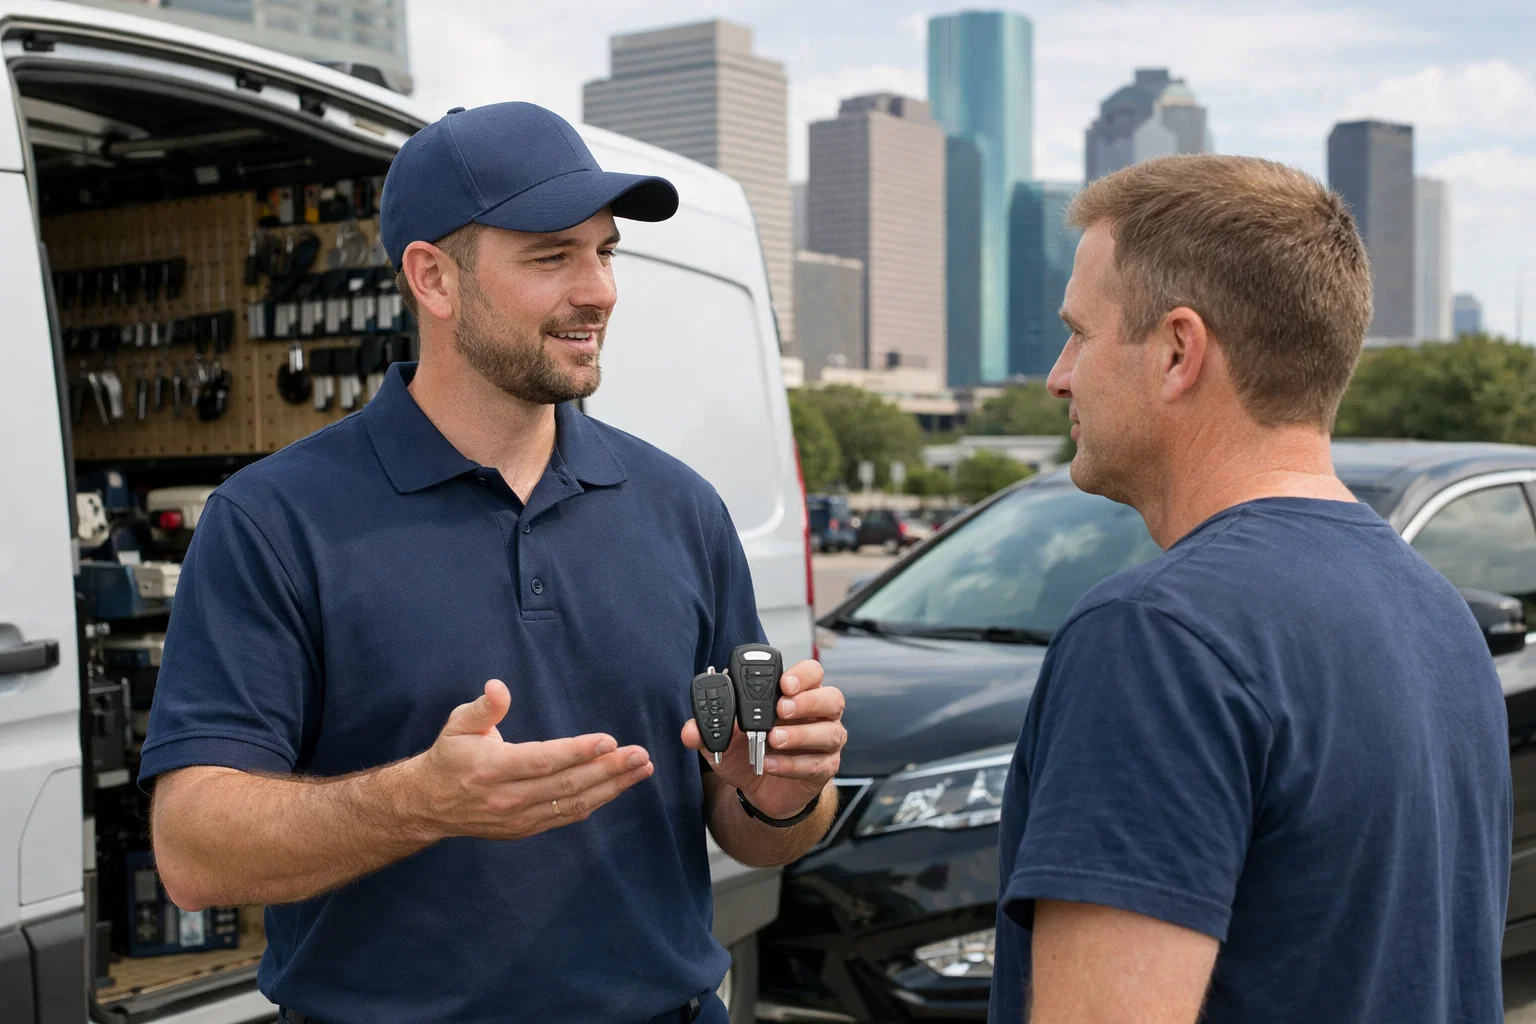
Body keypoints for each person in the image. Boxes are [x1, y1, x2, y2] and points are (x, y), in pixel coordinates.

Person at [140, 101, 847, 1024]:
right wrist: (418, 803)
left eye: (606, 252)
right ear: (433, 278)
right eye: (552, 256)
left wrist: (786, 796)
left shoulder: (684, 509)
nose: (599, 290)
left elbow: (754, 829)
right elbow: (195, 854)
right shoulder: (273, 521)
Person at [989, 154, 1510, 1024]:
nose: (1059, 374)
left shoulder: (1157, 636)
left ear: (1178, 351)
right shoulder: (1437, 611)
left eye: (1080, 331)